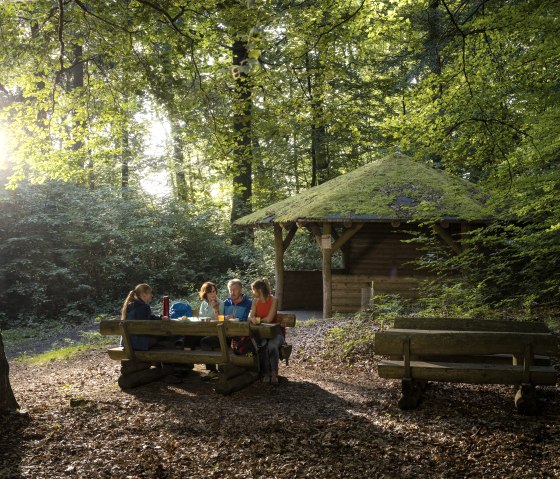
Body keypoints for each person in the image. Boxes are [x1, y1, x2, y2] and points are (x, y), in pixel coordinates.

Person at [200, 278, 252, 381]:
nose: (232, 292)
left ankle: (235, 371)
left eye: (235, 289)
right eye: (230, 290)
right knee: (205, 341)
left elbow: (252, 320)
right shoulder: (226, 303)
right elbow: (219, 318)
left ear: (241, 289)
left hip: (240, 336)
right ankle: (213, 371)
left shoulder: (249, 303)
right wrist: (224, 317)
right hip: (225, 335)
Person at [248, 278, 282, 385]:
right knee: (262, 345)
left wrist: (258, 320)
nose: (252, 293)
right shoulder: (255, 301)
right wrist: (251, 318)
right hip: (261, 333)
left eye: (253, 290)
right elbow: (250, 315)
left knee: (271, 345)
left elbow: (269, 319)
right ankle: (266, 372)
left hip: (275, 333)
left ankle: (274, 373)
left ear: (259, 290)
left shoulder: (273, 300)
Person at [120, 283, 169, 351]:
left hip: (126, 343)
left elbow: (147, 318)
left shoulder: (130, 305)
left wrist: (160, 318)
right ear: (143, 294)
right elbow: (147, 325)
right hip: (138, 344)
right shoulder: (144, 307)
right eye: (150, 293)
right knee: (165, 336)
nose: (152, 295)